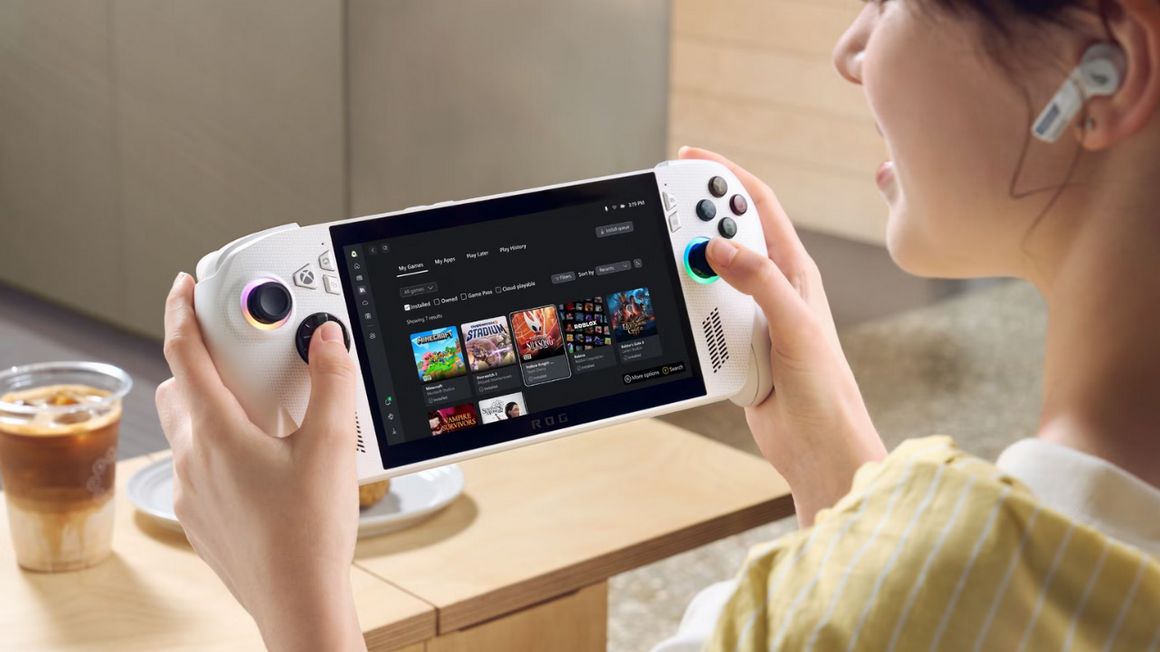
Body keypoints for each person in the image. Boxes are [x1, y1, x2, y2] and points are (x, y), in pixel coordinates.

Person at [155, 0, 1160, 649]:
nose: (851, 48)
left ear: (1105, 71)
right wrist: (842, 471)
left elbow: (909, 609)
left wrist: (297, 602)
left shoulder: (914, 593)